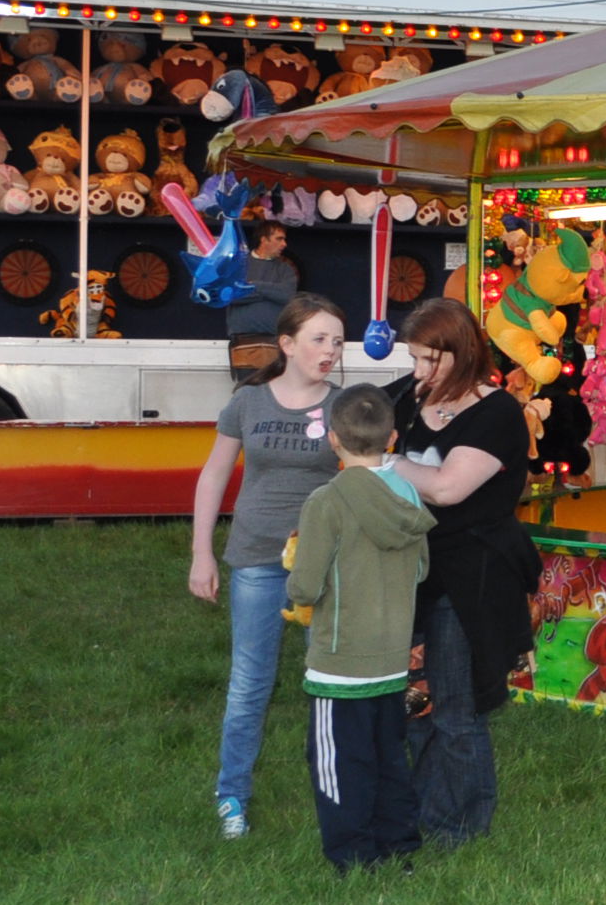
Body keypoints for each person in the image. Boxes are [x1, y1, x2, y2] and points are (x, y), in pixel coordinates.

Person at [187, 293, 348, 839]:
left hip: (324, 565)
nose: (330, 351)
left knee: (329, 678)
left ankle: (336, 787)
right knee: (249, 682)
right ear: (287, 344)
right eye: (319, 339)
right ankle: (231, 796)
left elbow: (364, 480)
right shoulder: (249, 402)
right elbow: (213, 476)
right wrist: (202, 553)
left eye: (337, 341)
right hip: (256, 558)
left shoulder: (343, 407)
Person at [389, 298, 543, 844]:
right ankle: (428, 814)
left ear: (462, 352)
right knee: (415, 704)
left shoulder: (498, 413)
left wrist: (386, 465)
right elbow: (351, 428)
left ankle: (463, 829)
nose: (418, 371)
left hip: (471, 577)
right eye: (414, 358)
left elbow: (449, 487)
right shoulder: (408, 399)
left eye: (431, 359)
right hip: (412, 571)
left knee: (456, 707)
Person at [282, 383, 436, 873]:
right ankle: (399, 848)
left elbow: (305, 587)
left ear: (333, 439)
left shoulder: (325, 502)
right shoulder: (408, 495)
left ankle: (353, 856)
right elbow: (421, 572)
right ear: (392, 438)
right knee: (389, 759)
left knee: (339, 763)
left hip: (339, 663)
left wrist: (294, 572)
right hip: (391, 659)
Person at [222, 218, 299, 379]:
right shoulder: (238, 265)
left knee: (276, 396)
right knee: (248, 394)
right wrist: (270, 292)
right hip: (244, 343)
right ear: (264, 239)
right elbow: (231, 295)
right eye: (279, 239)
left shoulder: (285, 269)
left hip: (276, 344)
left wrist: (254, 286)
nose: (284, 244)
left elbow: (287, 295)